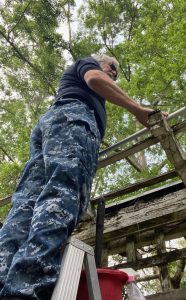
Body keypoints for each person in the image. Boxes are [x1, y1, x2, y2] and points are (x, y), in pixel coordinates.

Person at [0, 54, 167, 300]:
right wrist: (139, 110)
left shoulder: (69, 92)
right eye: (112, 68)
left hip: (54, 122)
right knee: (62, 195)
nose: (114, 74)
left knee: (25, 207)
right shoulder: (87, 66)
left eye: (116, 73)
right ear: (99, 61)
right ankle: (24, 291)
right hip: (74, 118)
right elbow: (95, 79)